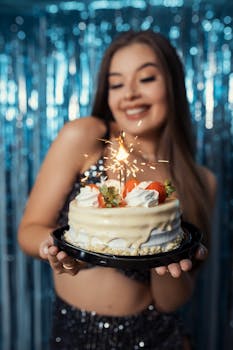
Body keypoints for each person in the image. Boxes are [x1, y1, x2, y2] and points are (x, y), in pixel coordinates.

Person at [18, 30, 216, 350]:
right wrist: (66, 249)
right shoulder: (86, 137)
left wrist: (168, 266)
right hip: (75, 337)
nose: (130, 95)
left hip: (159, 339)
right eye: (117, 83)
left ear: (173, 85)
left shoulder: (200, 180)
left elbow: (170, 301)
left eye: (147, 78)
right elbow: (28, 230)